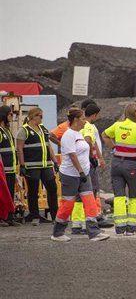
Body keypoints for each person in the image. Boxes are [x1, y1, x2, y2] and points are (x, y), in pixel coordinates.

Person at [50, 108, 109, 242]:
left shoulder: (78, 134)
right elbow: (72, 155)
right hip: (71, 175)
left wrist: (91, 159)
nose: (85, 121)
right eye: (82, 119)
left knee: (90, 202)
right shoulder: (69, 135)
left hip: (84, 174)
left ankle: (94, 232)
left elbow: (83, 149)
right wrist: (80, 171)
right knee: (68, 204)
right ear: (76, 120)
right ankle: (58, 232)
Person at [102, 103, 136, 235]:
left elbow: (104, 135)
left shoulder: (118, 125)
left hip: (116, 163)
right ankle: (131, 229)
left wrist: (113, 148)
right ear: (135, 113)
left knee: (119, 196)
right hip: (131, 164)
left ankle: (120, 228)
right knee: (134, 196)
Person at [71, 102, 110, 234]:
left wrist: (99, 156)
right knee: (89, 193)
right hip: (86, 163)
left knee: (78, 196)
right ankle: (87, 224)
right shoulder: (88, 126)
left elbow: (93, 143)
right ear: (94, 115)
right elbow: (88, 141)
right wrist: (93, 157)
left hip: (77, 163)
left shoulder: (75, 128)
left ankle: (77, 224)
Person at [16, 107, 59, 224]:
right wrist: (22, 165)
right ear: (33, 116)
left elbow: (48, 146)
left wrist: (55, 161)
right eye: (40, 116)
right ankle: (34, 215)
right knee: (33, 190)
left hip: (46, 165)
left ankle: (56, 215)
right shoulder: (24, 130)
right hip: (32, 166)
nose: (42, 118)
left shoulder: (43, 128)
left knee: (52, 188)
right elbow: (19, 148)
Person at [0, 105, 20, 226]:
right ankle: (2, 217)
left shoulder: (7, 131)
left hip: (10, 169)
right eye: (10, 114)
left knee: (10, 193)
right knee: (2, 195)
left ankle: (10, 216)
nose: (12, 116)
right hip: (3, 170)